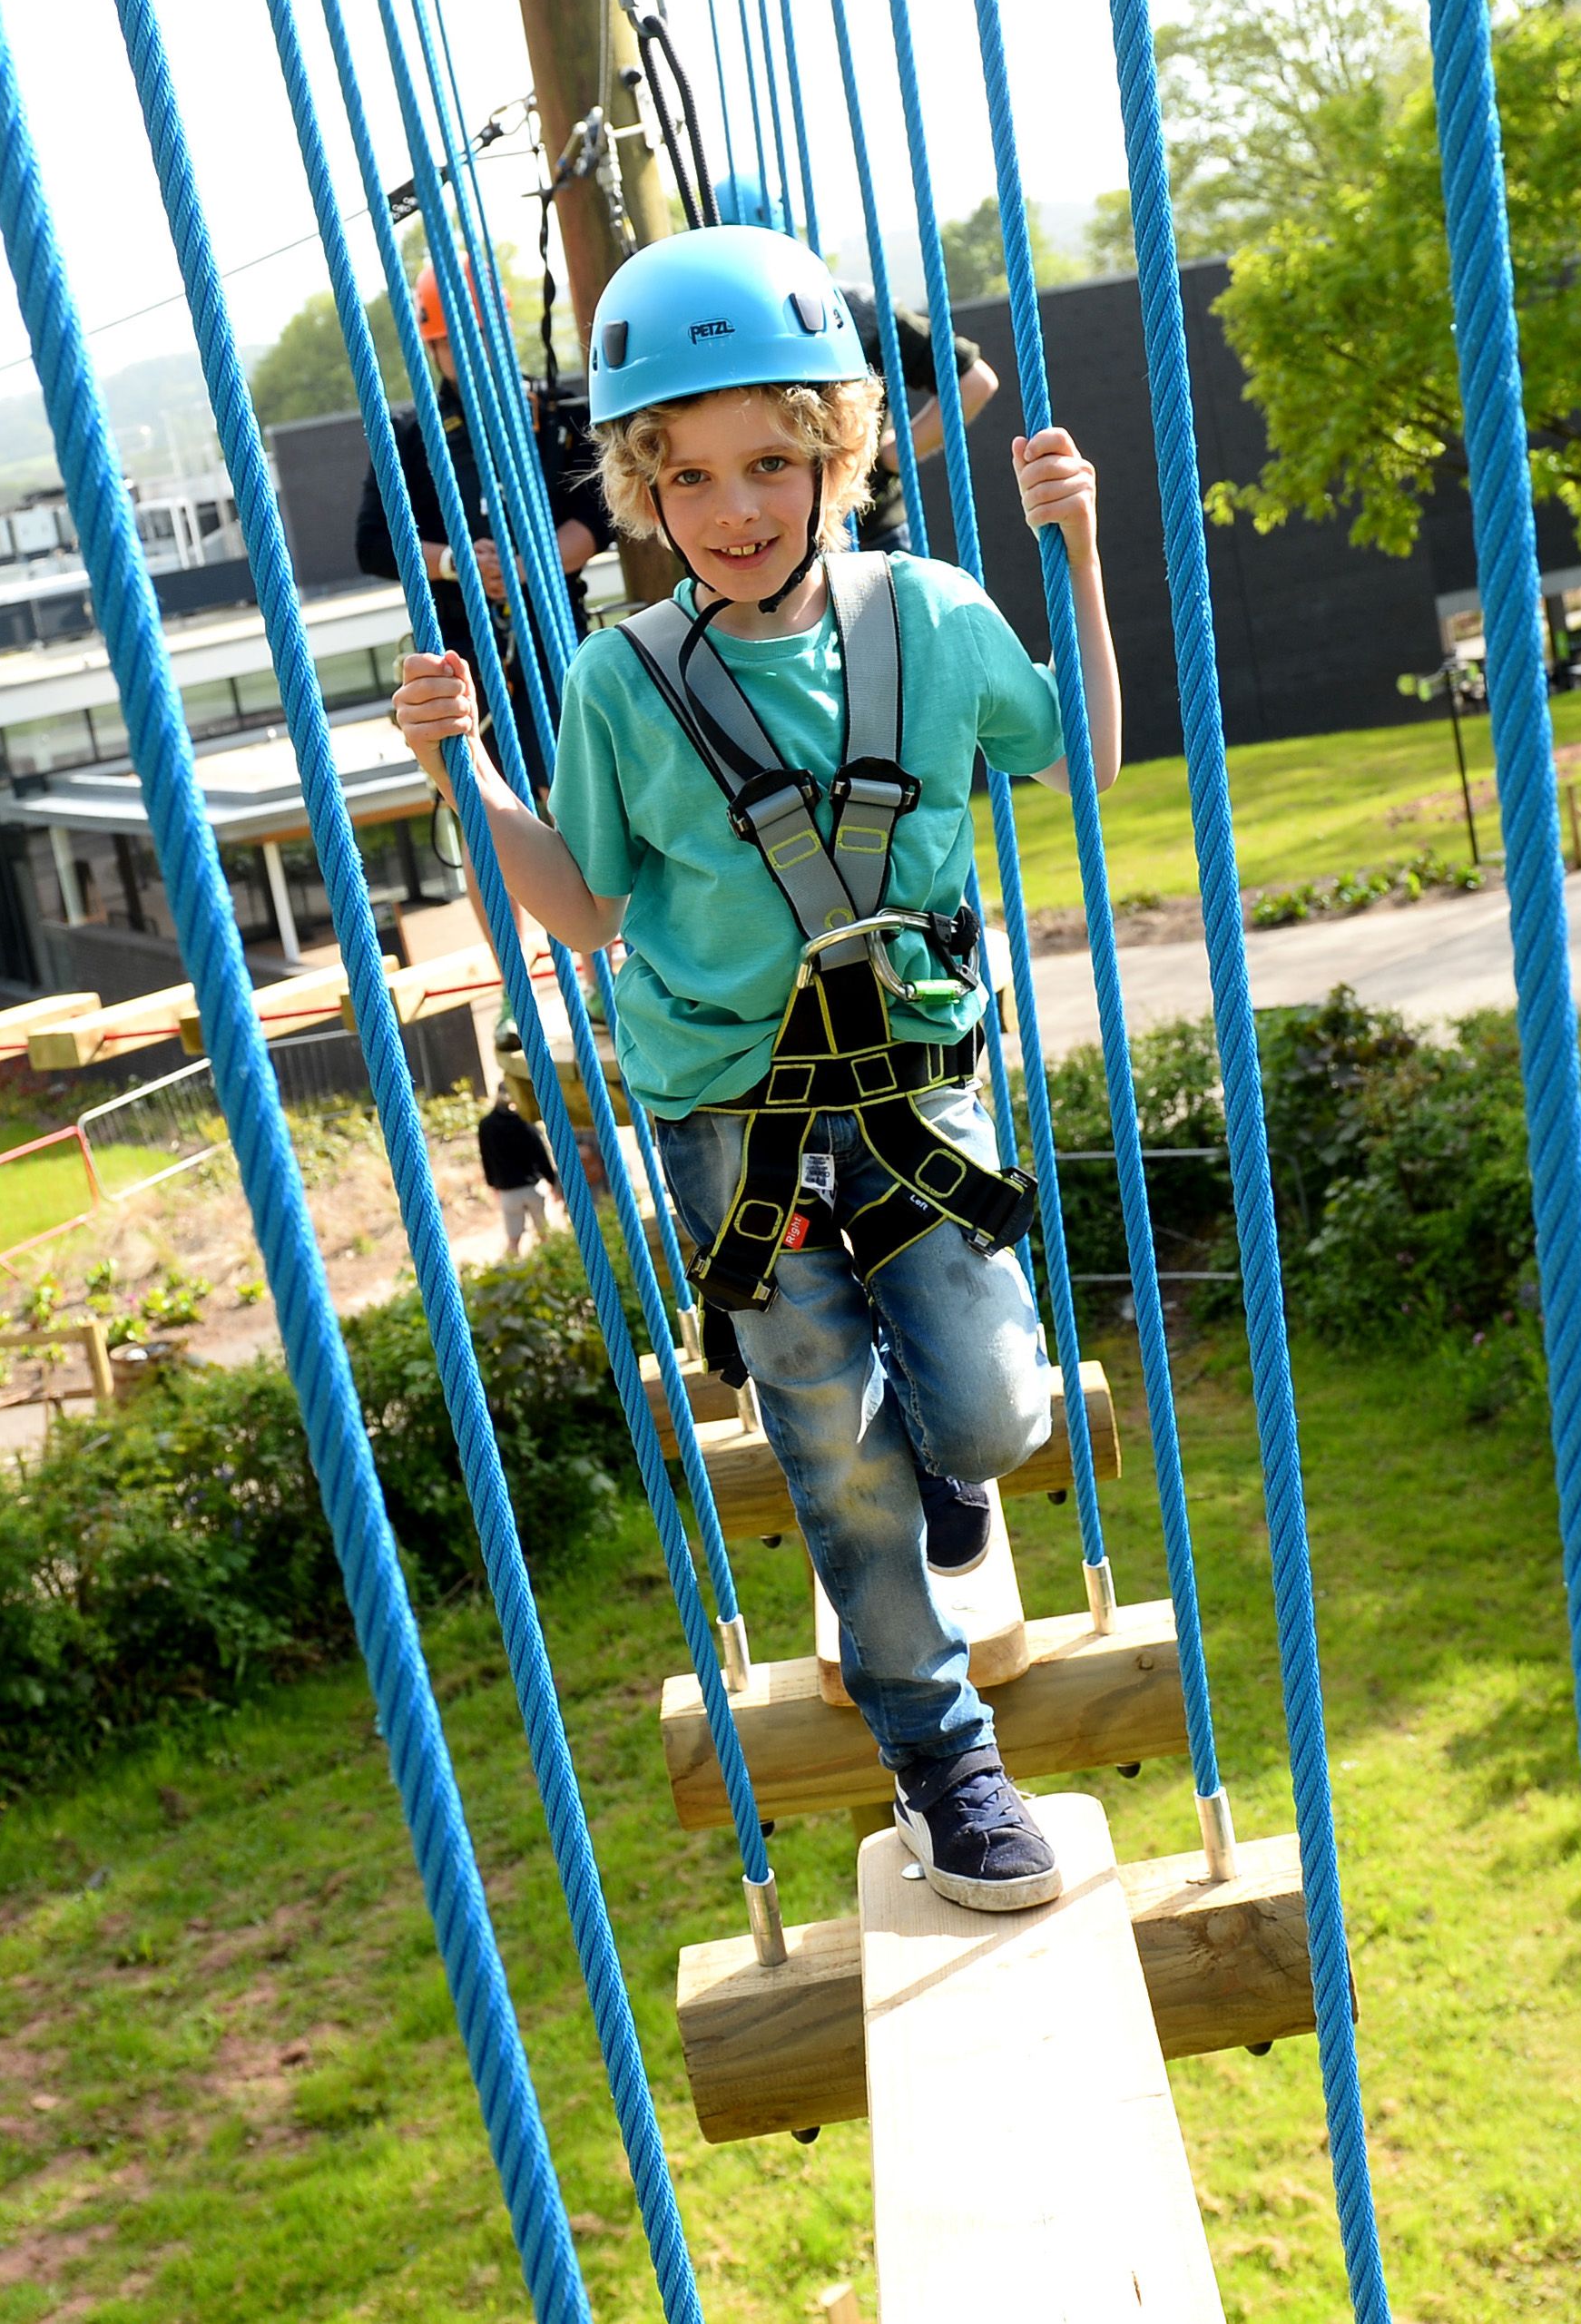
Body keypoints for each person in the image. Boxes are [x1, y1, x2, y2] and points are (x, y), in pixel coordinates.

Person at [393, 221, 1120, 1912]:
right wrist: (465, 764)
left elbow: (1080, 760)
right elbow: (581, 903)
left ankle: (943, 1447)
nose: (736, 509)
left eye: (773, 461)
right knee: (829, 1440)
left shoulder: (930, 618)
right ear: (645, 482)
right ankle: (940, 1757)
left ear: (835, 453)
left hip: (916, 1085)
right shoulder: (623, 680)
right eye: (694, 472)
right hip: (732, 1114)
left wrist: (1071, 555)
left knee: (994, 1419)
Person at [712, 176, 1001, 555]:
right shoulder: (848, 308)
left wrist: (894, 455)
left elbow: (973, 380)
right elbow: (974, 381)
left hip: (852, 534)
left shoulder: (855, 311)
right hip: (779, 540)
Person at [354, 265, 614, 658]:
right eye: (449, 341)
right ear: (433, 348)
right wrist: (456, 562)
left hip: (559, 635)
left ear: (502, 332)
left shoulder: (561, 414)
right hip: (460, 647)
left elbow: (600, 514)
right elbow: (373, 544)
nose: (466, 352)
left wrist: (523, 570)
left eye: (478, 336)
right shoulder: (407, 437)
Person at [478, 1086, 561, 1256]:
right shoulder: (525, 1122)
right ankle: (551, 1268)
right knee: (544, 1234)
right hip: (532, 1187)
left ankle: (515, 1272)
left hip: (508, 1190)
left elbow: (485, 1157)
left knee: (513, 1239)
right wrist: (553, 1182)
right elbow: (541, 1155)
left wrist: (492, 1183)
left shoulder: (486, 1125)